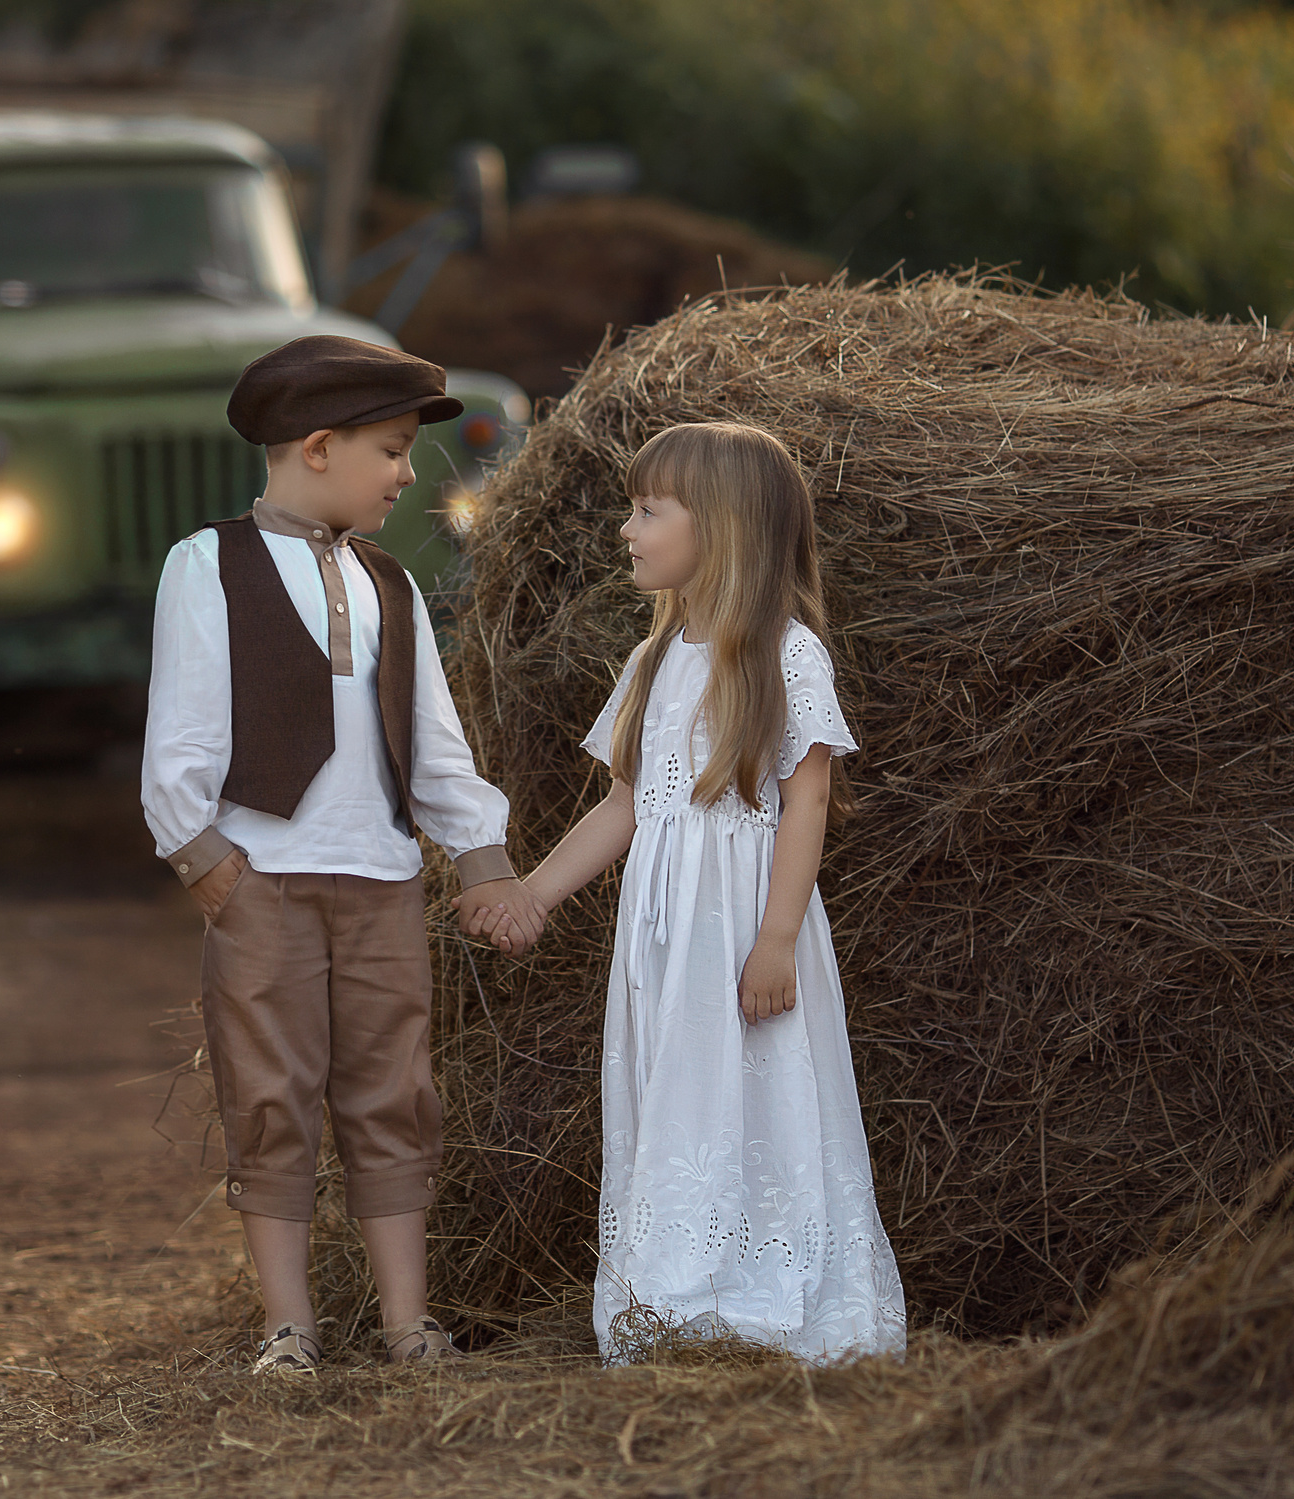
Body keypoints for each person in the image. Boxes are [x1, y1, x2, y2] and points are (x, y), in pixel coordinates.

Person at [143, 334, 547, 1377]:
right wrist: (206, 861)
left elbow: (435, 743)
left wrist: (481, 856)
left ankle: (407, 1322)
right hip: (262, 885)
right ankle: (289, 1327)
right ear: (318, 447)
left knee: (393, 1090)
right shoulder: (208, 564)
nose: (407, 475)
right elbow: (180, 732)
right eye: (392, 451)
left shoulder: (391, 584)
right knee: (268, 1094)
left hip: (382, 884)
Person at [474, 420, 905, 1363]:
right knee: (675, 1095)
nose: (627, 530)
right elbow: (628, 804)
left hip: (744, 926)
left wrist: (777, 937)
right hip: (664, 941)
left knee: (758, 1095)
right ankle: (674, 1298)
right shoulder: (653, 659)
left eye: (647, 510)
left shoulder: (785, 653)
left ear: (721, 525)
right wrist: (534, 893)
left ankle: (772, 1298)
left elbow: (807, 799)